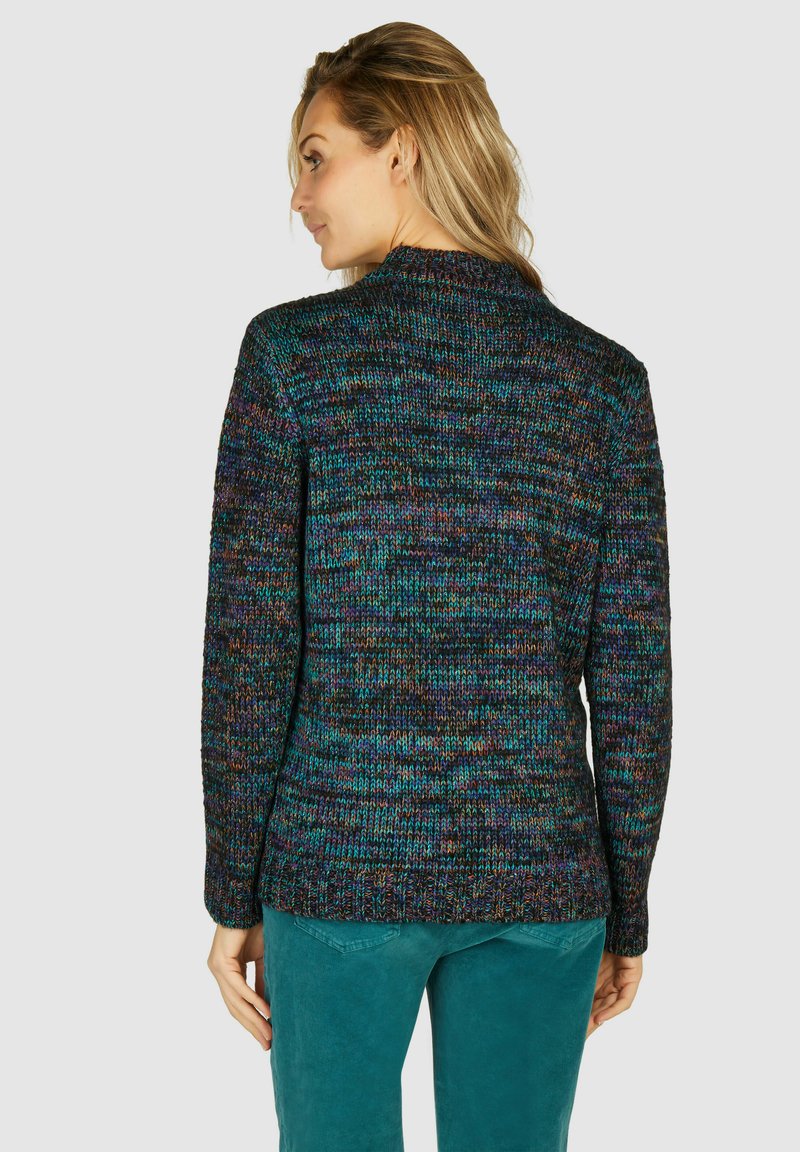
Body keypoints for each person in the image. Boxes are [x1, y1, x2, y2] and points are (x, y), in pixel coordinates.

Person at [201, 20, 672, 1152]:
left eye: (316, 157)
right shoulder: (602, 383)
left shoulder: (293, 358)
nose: (298, 197)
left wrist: (233, 892)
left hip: (337, 869)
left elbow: (250, 651)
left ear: (401, 149)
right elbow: (633, 683)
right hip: (542, 879)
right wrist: (625, 905)